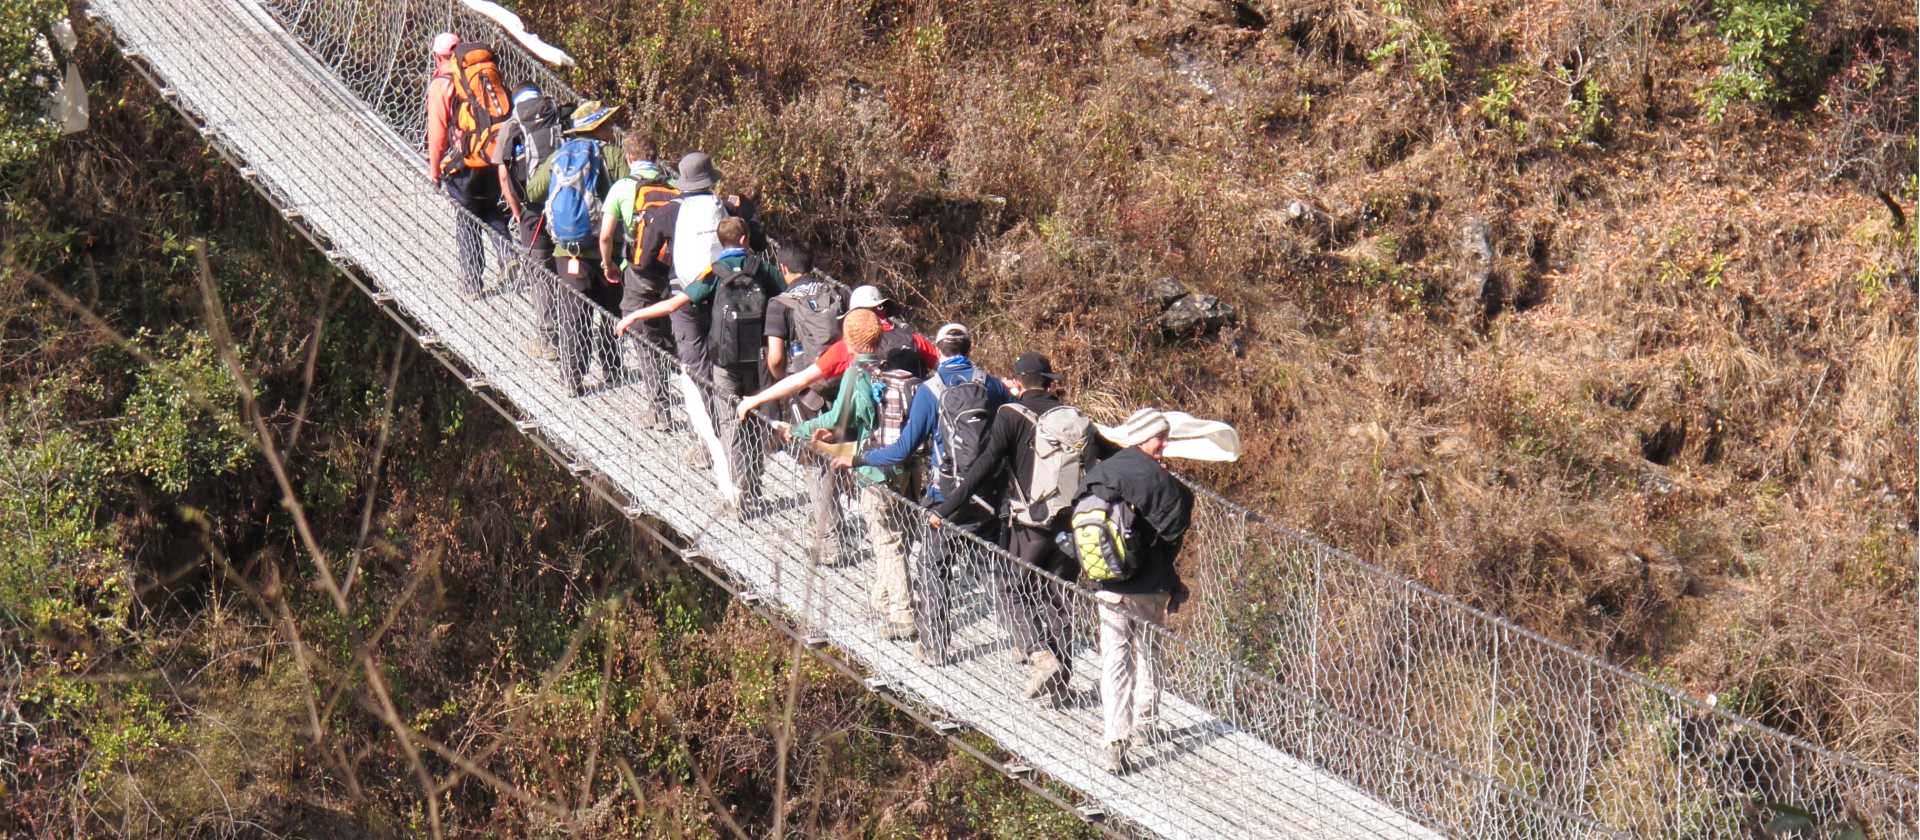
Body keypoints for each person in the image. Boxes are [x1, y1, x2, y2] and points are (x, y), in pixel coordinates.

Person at [837, 323, 1009, 664]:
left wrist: (859, 458)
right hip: (989, 491)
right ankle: (1027, 645)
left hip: (945, 494)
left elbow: (902, 450)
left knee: (933, 566)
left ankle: (935, 647)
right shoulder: (990, 384)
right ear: (969, 347)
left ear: (939, 351)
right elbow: (1015, 415)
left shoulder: (931, 391)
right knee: (996, 568)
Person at [933, 352, 1093, 700]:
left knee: (1010, 586)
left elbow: (982, 467)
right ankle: (1062, 681)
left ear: (1018, 382)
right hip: (1069, 525)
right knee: (1057, 598)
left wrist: (945, 509)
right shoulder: (1075, 420)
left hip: (1030, 523)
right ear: (1050, 382)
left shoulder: (1010, 414)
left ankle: (1038, 653)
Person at [614, 217, 784, 510]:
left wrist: (632, 316)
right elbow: (788, 297)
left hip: (724, 360)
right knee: (755, 421)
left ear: (722, 242)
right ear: (744, 239)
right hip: (757, 359)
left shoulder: (714, 272)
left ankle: (739, 492)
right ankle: (755, 486)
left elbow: (673, 304)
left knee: (730, 423)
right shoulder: (762, 269)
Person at [791, 310, 925, 641]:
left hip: (874, 468)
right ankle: (884, 596)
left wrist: (796, 430)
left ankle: (903, 615)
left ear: (849, 340)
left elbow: (837, 421)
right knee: (897, 533)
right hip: (907, 466)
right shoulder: (889, 366)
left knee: (886, 539)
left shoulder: (856, 372)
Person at [1075, 410, 1193, 774]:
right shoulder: (1163, 483)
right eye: (1161, 437)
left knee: (1114, 660)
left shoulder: (1102, 471)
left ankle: (1115, 738)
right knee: (1149, 652)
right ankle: (1146, 722)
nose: (1164, 445)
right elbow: (1174, 531)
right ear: (1145, 437)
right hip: (1149, 586)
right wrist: (1172, 581)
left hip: (1107, 583)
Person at [525, 101, 630, 396]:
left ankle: (572, 377)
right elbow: (627, 193)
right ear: (598, 127)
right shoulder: (613, 156)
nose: (611, 130)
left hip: (566, 251)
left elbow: (533, 190)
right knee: (611, 309)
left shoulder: (560, 155)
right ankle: (612, 366)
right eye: (607, 125)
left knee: (575, 315)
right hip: (606, 250)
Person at [733, 285, 936, 421]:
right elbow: (947, 366)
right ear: (883, 308)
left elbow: (800, 380)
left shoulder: (852, 346)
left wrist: (754, 400)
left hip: (874, 441)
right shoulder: (912, 338)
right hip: (913, 433)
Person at [765, 245, 851, 563]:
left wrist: (786, 381)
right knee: (846, 454)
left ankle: (830, 543)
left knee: (814, 465)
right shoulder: (838, 290)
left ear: (783, 269)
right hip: (846, 384)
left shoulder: (780, 304)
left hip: (807, 391)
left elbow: (775, 357)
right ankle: (838, 519)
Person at [599, 135, 678, 428]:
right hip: (671, 275)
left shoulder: (622, 187)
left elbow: (606, 235)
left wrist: (608, 265)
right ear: (656, 158)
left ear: (629, 158)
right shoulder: (675, 188)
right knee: (669, 334)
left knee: (644, 338)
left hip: (637, 274)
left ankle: (659, 410)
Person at [425, 33, 513, 296]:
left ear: (437, 57)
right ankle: (509, 256)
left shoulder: (442, 84)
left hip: (464, 159)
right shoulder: (483, 71)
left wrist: (435, 171)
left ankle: (472, 282)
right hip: (493, 152)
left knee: (466, 216)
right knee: (488, 206)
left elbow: (438, 133)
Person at [493, 83, 569, 359]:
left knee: (541, 274)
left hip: (532, 211)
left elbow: (503, 175)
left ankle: (549, 341)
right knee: (568, 271)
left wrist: (516, 210)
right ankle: (576, 336)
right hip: (564, 206)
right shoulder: (559, 115)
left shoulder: (512, 126)